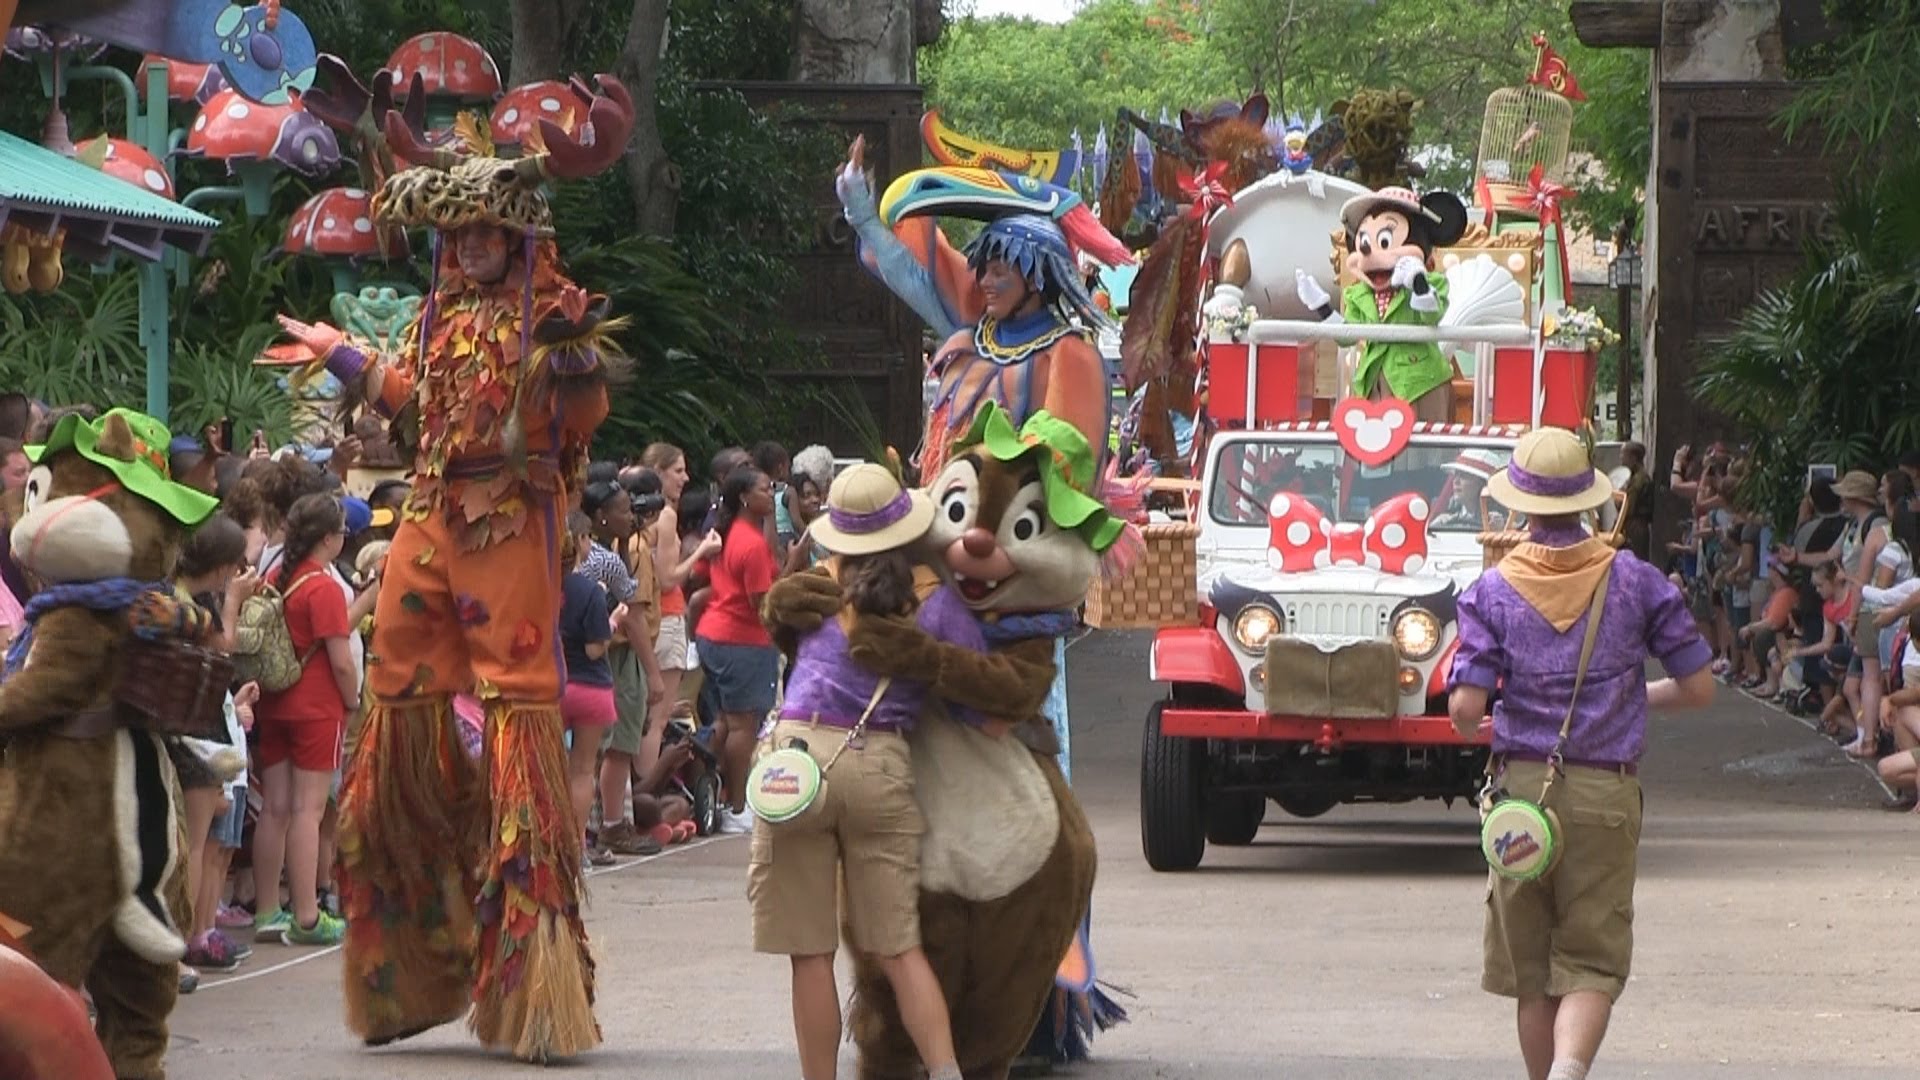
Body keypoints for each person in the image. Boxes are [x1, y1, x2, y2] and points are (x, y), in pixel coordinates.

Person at [275, 81, 634, 1058]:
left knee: (519, 718)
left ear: (514, 238)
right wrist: (344, 356)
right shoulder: (437, 316)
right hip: (431, 521)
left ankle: (535, 993)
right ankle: (409, 973)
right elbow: (416, 407)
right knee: (394, 705)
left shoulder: (548, 307)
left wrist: (575, 368)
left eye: (486, 232)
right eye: (458, 232)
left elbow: (581, 420)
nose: (470, 245)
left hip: (509, 527)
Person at [1447, 427, 1714, 1080]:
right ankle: (1572, 1068)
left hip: (1520, 799)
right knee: (1591, 959)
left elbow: (1464, 713)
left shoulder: (1491, 591)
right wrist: (1630, 698)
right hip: (1605, 793)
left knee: (1532, 974)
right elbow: (1698, 688)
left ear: (1520, 507)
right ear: (1592, 501)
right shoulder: (1637, 581)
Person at [749, 464, 971, 1080]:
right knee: (900, 949)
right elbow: (968, 692)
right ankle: (947, 1072)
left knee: (810, 953)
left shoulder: (812, 587)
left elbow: (783, 639)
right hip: (878, 763)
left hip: (798, 765)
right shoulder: (937, 598)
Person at [250, 494, 358, 947]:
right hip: (317, 709)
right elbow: (341, 662)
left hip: (273, 702)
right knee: (308, 811)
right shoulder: (325, 588)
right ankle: (308, 916)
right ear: (329, 539)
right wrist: (352, 700)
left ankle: (266, 911)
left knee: (274, 808)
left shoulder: (275, 576)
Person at [694, 466, 781, 835]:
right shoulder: (752, 544)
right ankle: (737, 805)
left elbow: (701, 570)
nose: (773, 492)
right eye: (767, 487)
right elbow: (763, 602)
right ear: (746, 497)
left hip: (713, 634)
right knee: (744, 724)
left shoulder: (726, 532)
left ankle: (707, 786)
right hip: (742, 641)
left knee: (727, 721)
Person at [640, 443, 720, 778]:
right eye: (678, 471)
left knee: (642, 714)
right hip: (668, 615)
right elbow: (668, 576)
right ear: (658, 471)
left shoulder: (638, 514)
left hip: (644, 618)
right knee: (657, 719)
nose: (685, 478)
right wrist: (703, 548)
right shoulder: (667, 515)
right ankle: (647, 789)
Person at [557, 512, 619, 865]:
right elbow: (596, 647)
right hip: (590, 689)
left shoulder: (538, 585)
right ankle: (575, 846)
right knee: (581, 770)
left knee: (548, 765)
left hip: (552, 685)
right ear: (578, 543)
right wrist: (612, 625)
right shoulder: (589, 591)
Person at [1617, 442, 1654, 563]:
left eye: (1624, 454)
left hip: (1636, 528)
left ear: (1633, 458)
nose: (1621, 457)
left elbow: (1628, 507)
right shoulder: (1634, 477)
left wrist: (1618, 499)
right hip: (1633, 526)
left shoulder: (1639, 479)